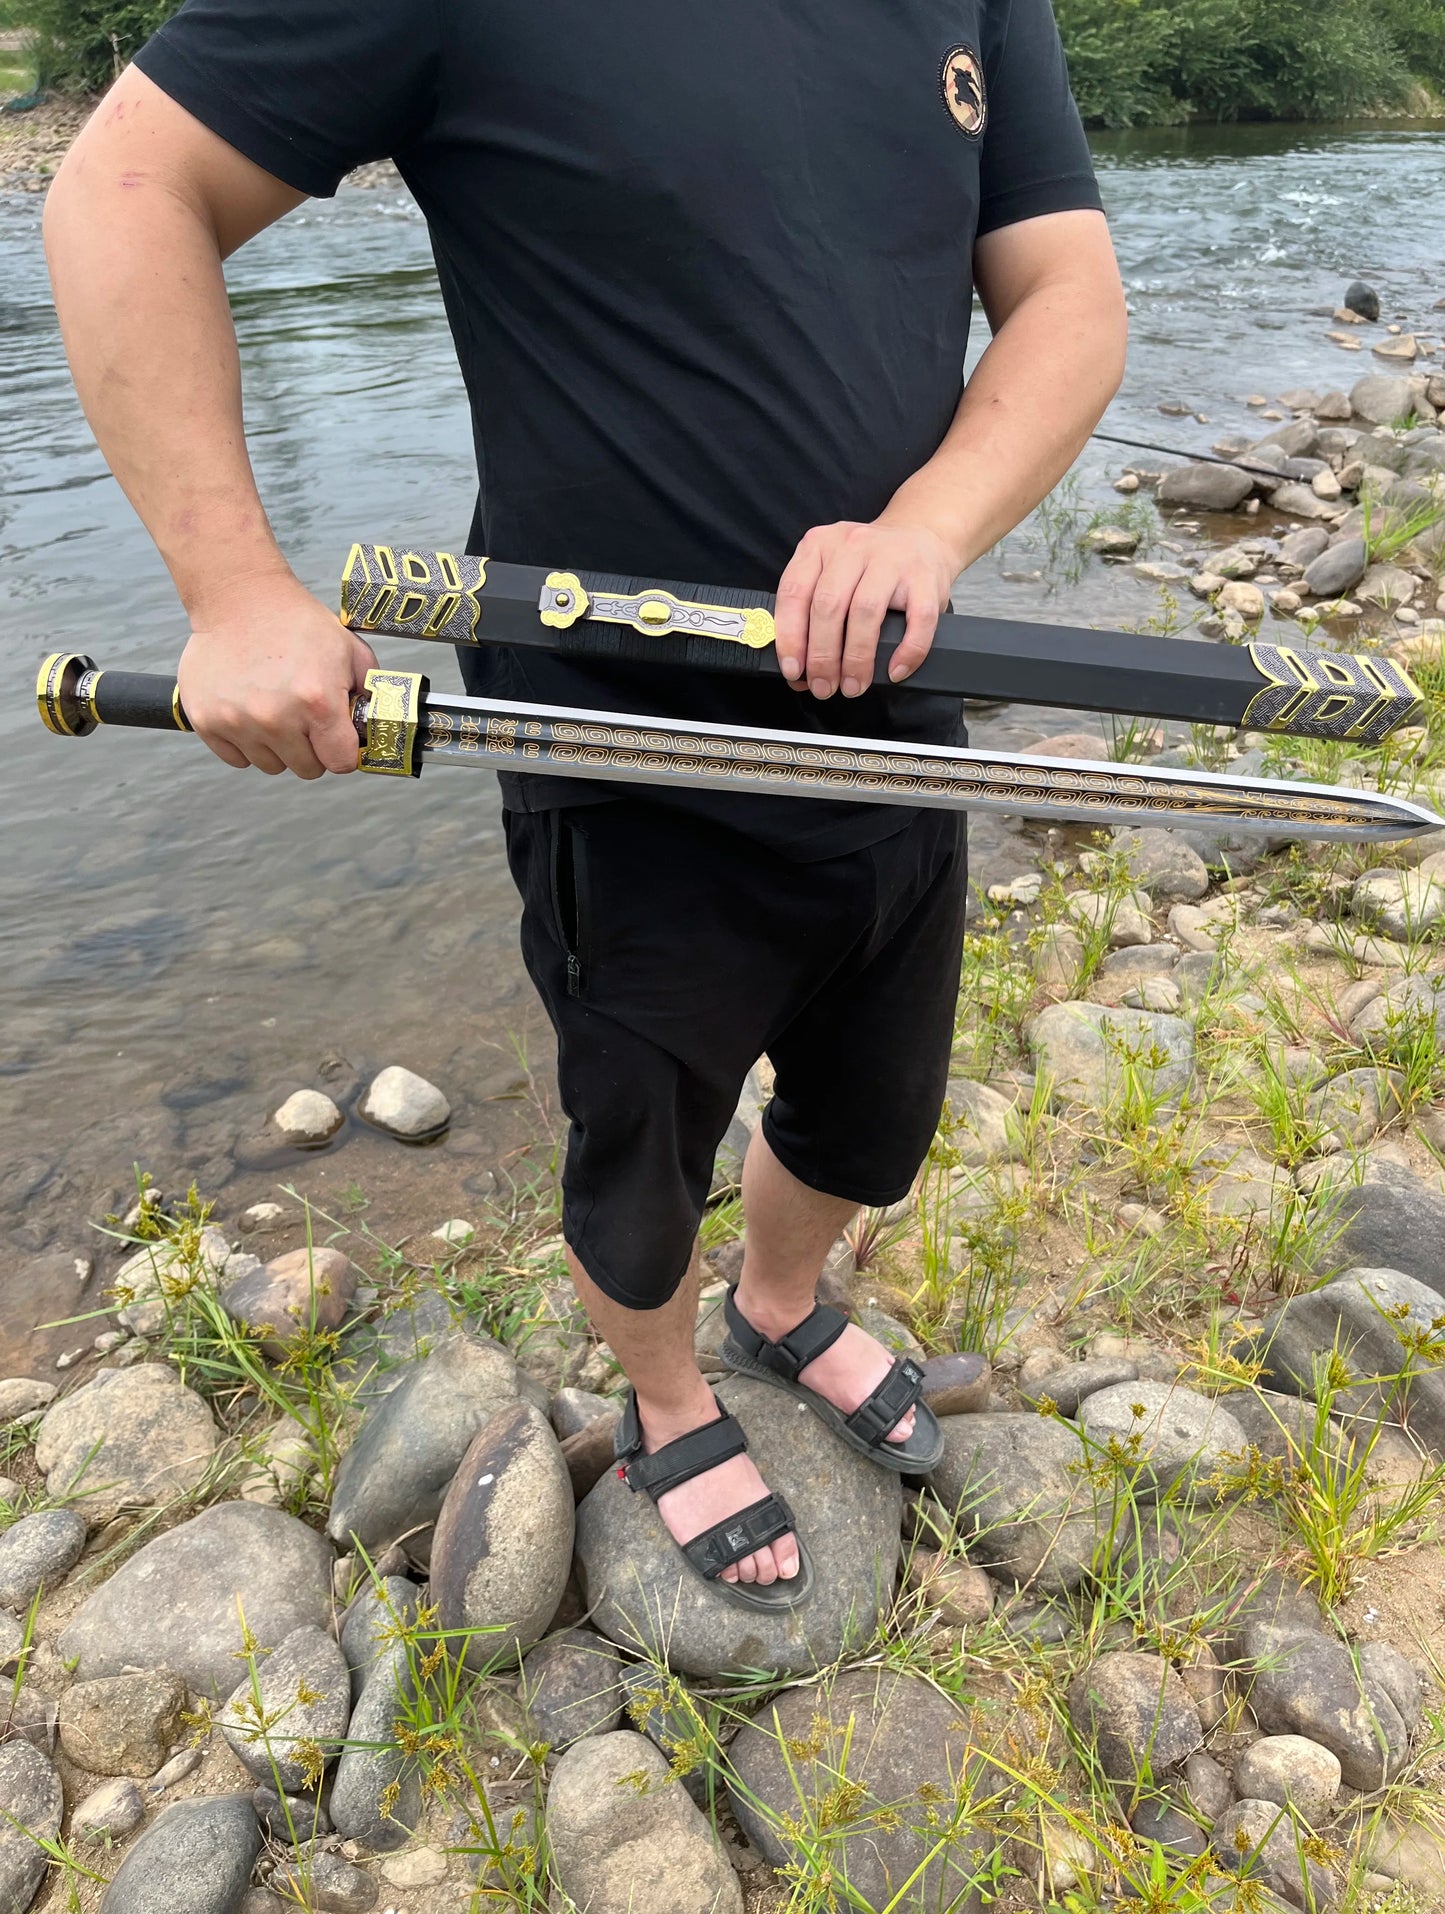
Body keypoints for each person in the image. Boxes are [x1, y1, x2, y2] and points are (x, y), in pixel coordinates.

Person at [44, 0, 1127, 1610]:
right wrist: (233, 587)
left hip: (892, 710)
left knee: (871, 1109)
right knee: (638, 1147)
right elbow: (123, 189)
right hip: (617, 740)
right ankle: (670, 1394)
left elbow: (1065, 290)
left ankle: (779, 1298)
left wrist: (925, 528)